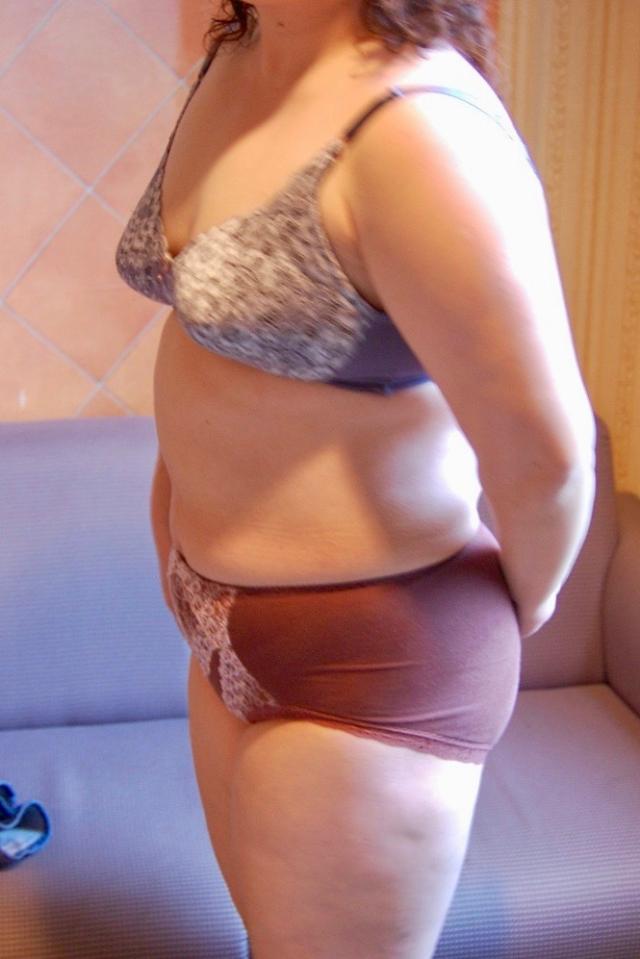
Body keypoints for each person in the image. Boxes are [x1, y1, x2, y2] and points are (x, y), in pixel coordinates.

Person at [115, 1, 596, 956]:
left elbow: (548, 454)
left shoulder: (420, 133)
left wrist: (522, 602)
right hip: (215, 617)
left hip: (368, 658)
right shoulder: (245, 52)